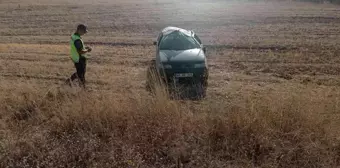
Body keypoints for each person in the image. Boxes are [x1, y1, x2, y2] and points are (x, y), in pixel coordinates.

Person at [65, 24, 92, 89]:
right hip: (79, 58)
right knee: (81, 75)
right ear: (79, 30)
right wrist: (88, 50)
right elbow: (80, 51)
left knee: (79, 73)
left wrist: (85, 47)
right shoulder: (77, 39)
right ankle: (83, 89)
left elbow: (78, 47)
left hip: (76, 58)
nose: (84, 33)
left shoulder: (74, 36)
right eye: (84, 32)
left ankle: (69, 81)